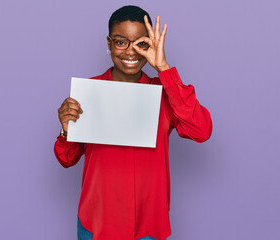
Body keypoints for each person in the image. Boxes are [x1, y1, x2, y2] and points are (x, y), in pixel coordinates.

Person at [54, 5, 213, 240]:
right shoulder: (88, 92)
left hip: (148, 225)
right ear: (109, 44)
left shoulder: (165, 93)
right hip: (97, 223)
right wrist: (66, 130)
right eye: (121, 42)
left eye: (141, 43)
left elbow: (201, 130)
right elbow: (66, 159)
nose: (130, 52)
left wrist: (163, 68)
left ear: (150, 46)